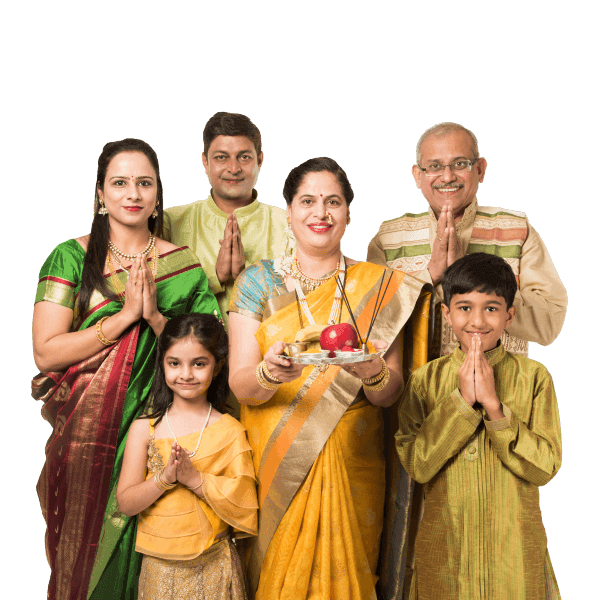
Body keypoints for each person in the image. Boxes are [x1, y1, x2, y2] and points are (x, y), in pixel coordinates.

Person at [228, 157, 433, 599]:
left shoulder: (379, 287)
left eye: (333, 202)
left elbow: (389, 393)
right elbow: (240, 384)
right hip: (278, 459)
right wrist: (268, 373)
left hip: (355, 456)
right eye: (308, 201)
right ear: (289, 211)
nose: (320, 213)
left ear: (348, 214)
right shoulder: (257, 283)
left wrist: (373, 371)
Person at [31, 139, 221, 600]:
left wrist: (156, 320)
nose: (132, 193)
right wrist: (123, 319)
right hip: (85, 434)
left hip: (158, 429)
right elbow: (46, 353)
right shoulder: (71, 257)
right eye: (120, 183)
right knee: (81, 559)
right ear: (100, 194)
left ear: (158, 194)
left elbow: (215, 351)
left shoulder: (185, 267)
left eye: (144, 183)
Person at [396, 253, 562, 599]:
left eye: (491, 308)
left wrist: (494, 407)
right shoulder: (425, 380)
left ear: (509, 315)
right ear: (446, 314)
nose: (477, 321)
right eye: (464, 307)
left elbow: (544, 467)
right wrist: (461, 402)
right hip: (445, 551)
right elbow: (418, 465)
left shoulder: (535, 378)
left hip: (514, 554)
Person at [367, 122, 568, 358]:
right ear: (417, 176)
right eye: (434, 166)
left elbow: (549, 325)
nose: (448, 176)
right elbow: (370, 324)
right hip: (413, 393)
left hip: (500, 392)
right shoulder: (388, 238)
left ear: (480, 169)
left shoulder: (517, 230)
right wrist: (429, 275)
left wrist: (473, 277)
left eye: (460, 164)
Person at [117, 314, 258, 599]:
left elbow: (244, 505)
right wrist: (165, 478)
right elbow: (126, 504)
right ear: (162, 364)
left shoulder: (230, 430)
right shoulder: (144, 429)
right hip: (160, 569)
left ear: (217, 366)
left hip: (214, 565)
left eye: (199, 363)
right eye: (174, 363)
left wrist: (194, 479)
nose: (186, 374)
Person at [163, 111, 288, 330]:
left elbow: (304, 305)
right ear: (205, 161)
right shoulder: (170, 222)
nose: (233, 168)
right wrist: (214, 276)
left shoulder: (289, 223)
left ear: (260, 160)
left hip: (268, 360)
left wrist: (246, 275)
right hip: (189, 361)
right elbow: (159, 299)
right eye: (221, 157)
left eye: (244, 157)